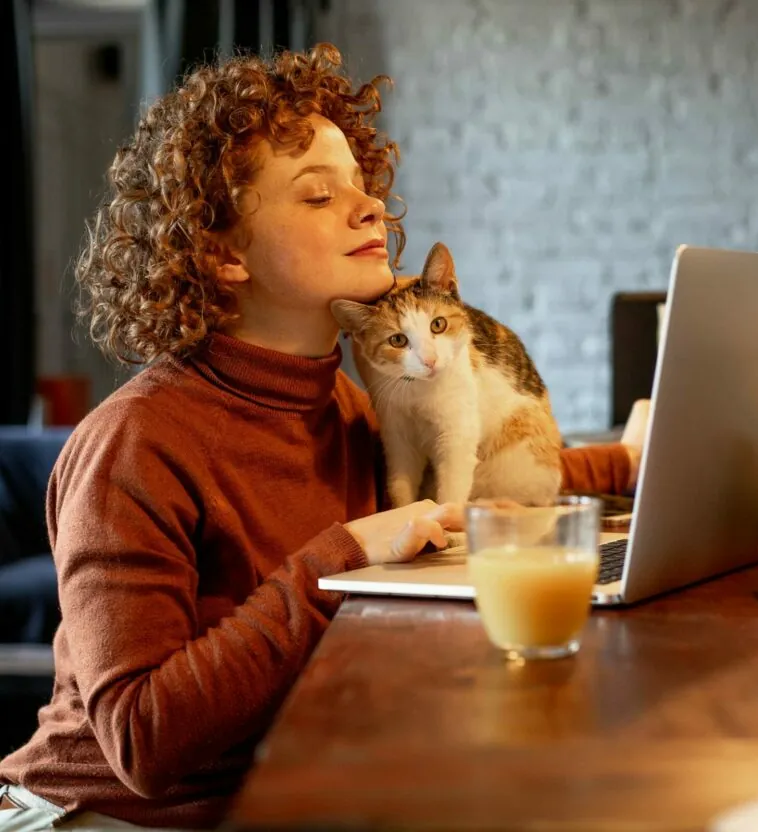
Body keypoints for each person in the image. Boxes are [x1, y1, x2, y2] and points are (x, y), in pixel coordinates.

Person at [0, 44, 643, 830]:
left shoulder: (344, 400)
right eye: (317, 196)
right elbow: (140, 743)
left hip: (283, 785)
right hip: (98, 814)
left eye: (363, 188)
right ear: (221, 250)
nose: (370, 208)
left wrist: (638, 463)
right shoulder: (133, 444)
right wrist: (343, 556)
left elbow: (479, 470)